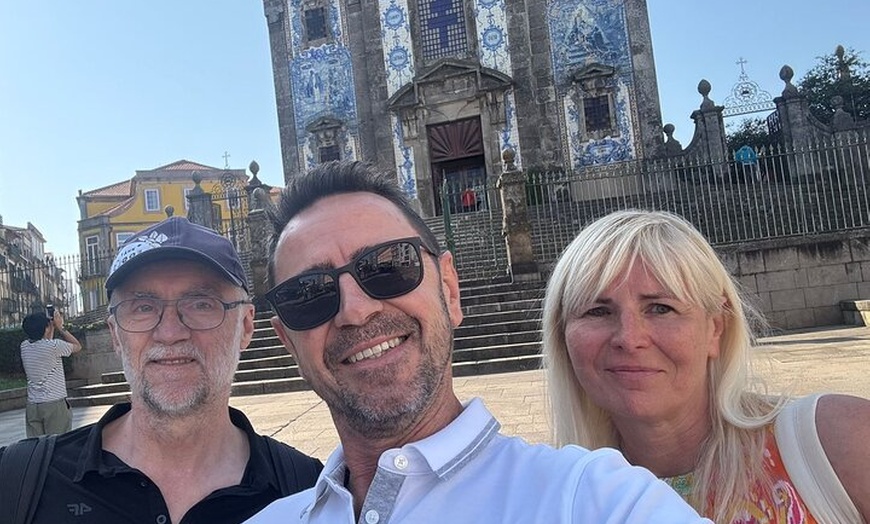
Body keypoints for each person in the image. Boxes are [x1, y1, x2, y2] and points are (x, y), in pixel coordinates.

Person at [246, 161, 710, 523]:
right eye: (308, 294)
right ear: (288, 341)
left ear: (450, 290)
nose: (355, 311)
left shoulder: (592, 499)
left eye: (388, 266)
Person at [541, 209, 870, 523]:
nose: (629, 338)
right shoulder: (556, 501)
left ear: (715, 328)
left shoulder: (838, 442)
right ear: (562, 337)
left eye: (660, 308)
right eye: (597, 311)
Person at [0, 216, 322, 523]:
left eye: (201, 304)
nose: (169, 333)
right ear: (115, 334)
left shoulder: (314, 496)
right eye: (143, 307)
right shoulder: (15, 483)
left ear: (246, 326)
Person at [20, 309, 82, 436]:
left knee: (37, 445)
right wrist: (60, 327)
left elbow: (45, 341)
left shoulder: (24, 346)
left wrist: (50, 327)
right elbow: (77, 346)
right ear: (46, 328)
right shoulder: (54, 346)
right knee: (58, 443)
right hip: (54, 404)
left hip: (33, 405)